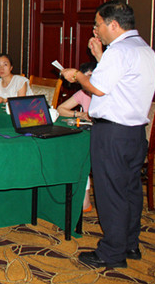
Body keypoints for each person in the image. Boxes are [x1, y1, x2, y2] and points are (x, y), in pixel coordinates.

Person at [62, 0, 155, 269]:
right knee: (130, 190)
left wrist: (77, 75)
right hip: (134, 133)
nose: (96, 30)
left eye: (98, 24)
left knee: (110, 192)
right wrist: (100, 56)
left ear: (113, 25)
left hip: (112, 134)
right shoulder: (144, 49)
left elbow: (98, 89)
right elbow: (121, 82)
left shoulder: (119, 51)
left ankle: (112, 252)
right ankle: (129, 244)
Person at [57, 61, 97, 212]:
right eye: (83, 78)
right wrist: (80, 114)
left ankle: (85, 201)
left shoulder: (105, 94)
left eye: (90, 77)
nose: (87, 82)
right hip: (87, 132)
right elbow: (61, 109)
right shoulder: (83, 93)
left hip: (103, 136)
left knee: (80, 154)